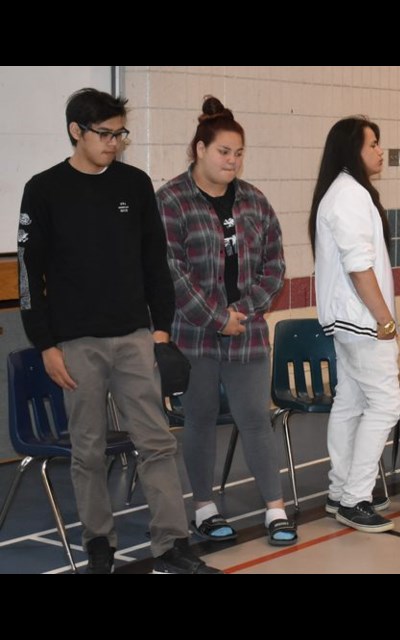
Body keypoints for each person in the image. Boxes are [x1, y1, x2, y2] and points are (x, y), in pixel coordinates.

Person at [17, 88, 219, 573]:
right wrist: (45, 344)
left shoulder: (133, 184)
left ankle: (170, 542)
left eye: (120, 134)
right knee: (87, 449)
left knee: (156, 442)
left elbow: (156, 261)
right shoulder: (43, 190)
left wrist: (161, 330)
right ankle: (99, 541)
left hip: (134, 336)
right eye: (105, 135)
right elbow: (29, 275)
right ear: (76, 132)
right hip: (76, 342)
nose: (114, 143)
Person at [157, 96, 296, 546]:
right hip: (194, 334)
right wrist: (216, 318)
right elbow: (170, 270)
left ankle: (275, 508)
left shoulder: (254, 200)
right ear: (200, 149)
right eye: (223, 151)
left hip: (248, 331)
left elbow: (275, 263)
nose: (232, 160)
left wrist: (247, 310)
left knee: (255, 417)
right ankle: (204, 507)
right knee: (197, 419)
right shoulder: (172, 200)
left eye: (238, 153)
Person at [309, 116, 400, 533]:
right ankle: (355, 498)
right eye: (374, 144)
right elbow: (358, 265)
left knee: (350, 402)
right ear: (353, 150)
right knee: (385, 404)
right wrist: (384, 317)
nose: (381, 151)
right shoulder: (348, 195)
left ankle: (340, 489)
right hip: (362, 321)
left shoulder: (346, 192)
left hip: (349, 321)